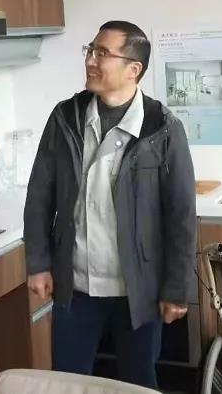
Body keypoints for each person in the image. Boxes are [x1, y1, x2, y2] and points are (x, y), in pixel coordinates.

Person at [22, 21, 196, 389]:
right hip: (75, 285)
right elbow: (39, 195)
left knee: (138, 382)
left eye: (102, 53)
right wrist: (38, 264)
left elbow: (181, 215)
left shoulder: (163, 128)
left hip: (139, 289)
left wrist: (176, 289)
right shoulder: (66, 117)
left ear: (134, 69)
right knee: (68, 382)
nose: (91, 60)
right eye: (91, 50)